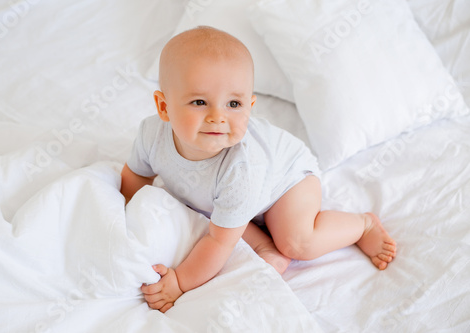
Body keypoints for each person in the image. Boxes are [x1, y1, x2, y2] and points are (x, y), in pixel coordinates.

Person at [120, 26, 396, 313]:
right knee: (203, 212)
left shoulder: (241, 167)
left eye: (234, 104)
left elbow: (218, 241)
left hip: (285, 182)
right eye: (200, 102)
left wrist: (180, 281)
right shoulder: (151, 135)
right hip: (225, 198)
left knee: (297, 242)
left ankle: (362, 225)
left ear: (249, 107)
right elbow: (136, 176)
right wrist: (122, 216)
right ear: (164, 107)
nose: (218, 117)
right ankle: (265, 248)